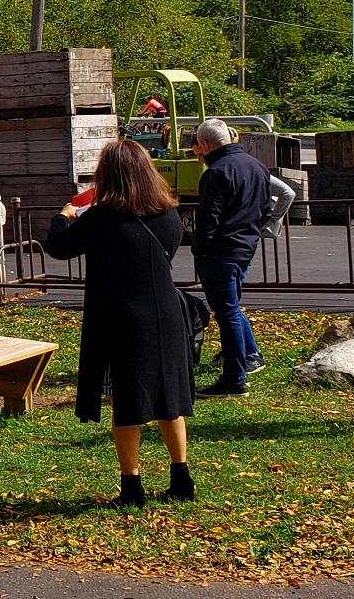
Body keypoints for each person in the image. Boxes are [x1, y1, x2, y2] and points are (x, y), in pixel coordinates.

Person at [43, 139, 196, 508]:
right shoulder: (169, 213)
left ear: (108, 175)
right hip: (167, 313)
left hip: (124, 316)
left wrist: (64, 214)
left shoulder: (102, 218)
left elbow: (57, 246)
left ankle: (132, 486)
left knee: (127, 402)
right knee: (169, 397)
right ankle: (181, 476)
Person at [190, 119, 272, 398]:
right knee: (232, 309)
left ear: (205, 144)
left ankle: (235, 379)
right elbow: (267, 209)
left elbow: (208, 219)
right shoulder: (257, 166)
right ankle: (245, 362)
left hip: (220, 252)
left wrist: (199, 248)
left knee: (227, 313)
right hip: (245, 247)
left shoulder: (216, 172)